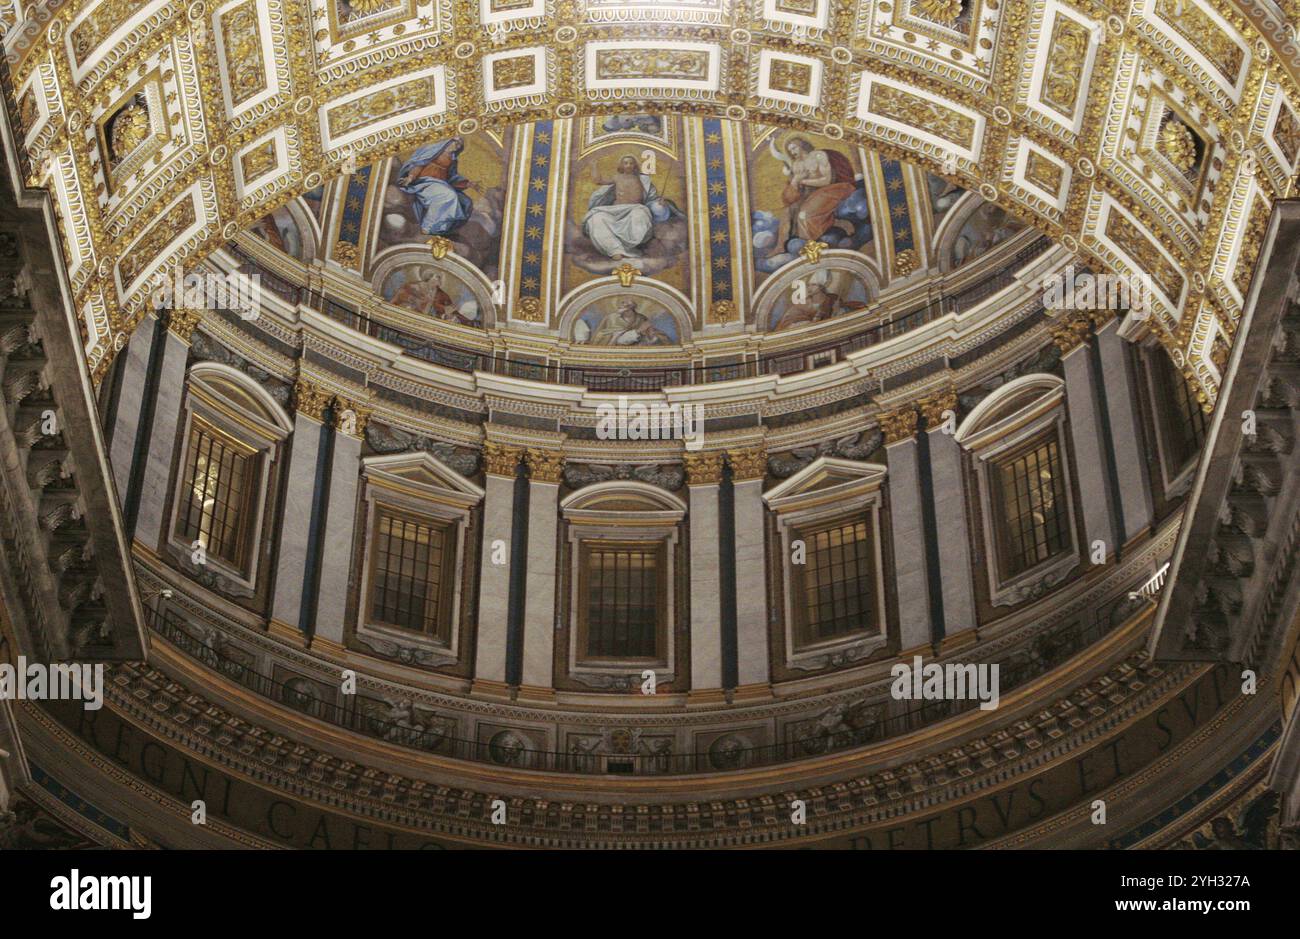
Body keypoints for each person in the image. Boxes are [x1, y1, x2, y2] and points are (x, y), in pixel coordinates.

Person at [582, 155, 680, 259]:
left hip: (636, 209)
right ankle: (614, 249)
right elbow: (598, 181)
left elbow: (652, 198)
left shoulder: (643, 180)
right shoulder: (617, 177)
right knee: (596, 218)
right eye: (625, 163)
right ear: (621, 166)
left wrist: (660, 203)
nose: (628, 165)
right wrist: (594, 166)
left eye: (631, 163)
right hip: (615, 211)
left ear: (635, 166)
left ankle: (628, 247)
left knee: (640, 216)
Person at [770, 136, 857, 252]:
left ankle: (812, 246)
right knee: (787, 214)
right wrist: (795, 181)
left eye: (794, 148)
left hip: (831, 189)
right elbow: (795, 189)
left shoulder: (818, 156)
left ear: (801, 145)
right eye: (790, 150)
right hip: (809, 194)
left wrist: (803, 181)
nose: (792, 152)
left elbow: (827, 180)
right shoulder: (796, 164)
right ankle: (781, 247)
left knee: (805, 214)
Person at [396, 138, 474, 235]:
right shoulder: (434, 150)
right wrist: (410, 177)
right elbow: (420, 163)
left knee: (465, 201)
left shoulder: (453, 159)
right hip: (425, 182)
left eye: (460, 145)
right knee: (448, 195)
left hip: (441, 184)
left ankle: (439, 228)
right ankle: (426, 226)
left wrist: (467, 184)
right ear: (448, 141)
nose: (457, 145)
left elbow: (451, 178)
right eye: (456, 142)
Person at [585, 298, 673, 346]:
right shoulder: (611, 317)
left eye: (623, 306)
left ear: (630, 309)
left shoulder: (641, 318)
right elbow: (601, 333)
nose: (619, 307)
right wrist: (615, 336)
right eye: (620, 305)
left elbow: (648, 332)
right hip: (614, 346)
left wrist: (649, 334)